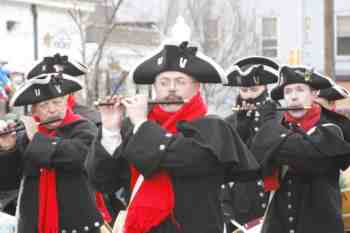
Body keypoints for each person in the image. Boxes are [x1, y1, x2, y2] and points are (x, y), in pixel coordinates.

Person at [86, 41, 259, 233]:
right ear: (154, 87)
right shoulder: (133, 128)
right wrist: (110, 130)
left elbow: (186, 159)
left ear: (196, 87)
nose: (171, 89)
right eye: (164, 82)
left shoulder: (212, 127)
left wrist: (142, 125)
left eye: (180, 81)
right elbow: (104, 181)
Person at [0, 64, 103, 233]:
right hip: (34, 226)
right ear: (34, 110)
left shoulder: (84, 128)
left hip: (78, 226)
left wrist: (36, 139)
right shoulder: (25, 135)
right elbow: (8, 181)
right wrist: (8, 149)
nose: (52, 109)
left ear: (67, 101)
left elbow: (75, 157)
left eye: (57, 101)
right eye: (44, 105)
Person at [251, 65, 350, 233]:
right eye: (288, 92)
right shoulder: (279, 127)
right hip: (279, 225)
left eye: (300, 90)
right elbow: (256, 157)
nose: (294, 97)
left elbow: (306, 156)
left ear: (314, 94)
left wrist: (268, 127)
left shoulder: (331, 127)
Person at [221, 56, 280, 232]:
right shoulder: (228, 124)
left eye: (254, 89)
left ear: (266, 89)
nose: (249, 95)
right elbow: (222, 168)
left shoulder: (281, 120)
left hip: (274, 201)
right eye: (244, 90)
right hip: (241, 206)